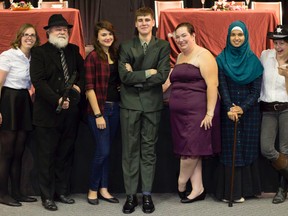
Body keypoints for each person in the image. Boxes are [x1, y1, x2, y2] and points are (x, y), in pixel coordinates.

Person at [118, 7, 170, 214]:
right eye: (140, 20)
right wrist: (148, 73)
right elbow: (124, 77)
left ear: (153, 23)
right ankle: (131, 196)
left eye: (147, 20)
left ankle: (147, 194)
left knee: (148, 151)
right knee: (130, 151)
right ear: (135, 24)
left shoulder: (163, 46)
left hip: (152, 105)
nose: (143, 23)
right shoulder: (126, 46)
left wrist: (136, 77)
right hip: (129, 105)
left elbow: (163, 76)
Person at [30, 14, 85, 211]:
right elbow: (38, 81)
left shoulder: (73, 50)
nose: (62, 31)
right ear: (48, 32)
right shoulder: (39, 53)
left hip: (70, 115)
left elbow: (82, 73)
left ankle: (61, 191)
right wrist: (58, 99)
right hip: (47, 113)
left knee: (65, 154)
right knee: (47, 157)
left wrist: (77, 88)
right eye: (57, 29)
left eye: (64, 29)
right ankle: (47, 196)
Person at [169, 22, 220, 203]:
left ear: (193, 35)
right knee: (191, 150)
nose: (181, 39)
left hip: (197, 112)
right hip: (179, 114)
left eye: (184, 35)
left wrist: (209, 113)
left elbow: (212, 85)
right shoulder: (180, 56)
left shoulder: (204, 55)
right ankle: (198, 188)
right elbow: (169, 82)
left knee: (190, 150)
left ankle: (181, 183)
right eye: (177, 37)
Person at [215, 20, 263, 203]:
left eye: (240, 35)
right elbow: (222, 87)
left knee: (247, 148)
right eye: (233, 35)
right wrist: (230, 107)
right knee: (230, 150)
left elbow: (256, 91)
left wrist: (242, 107)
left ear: (246, 37)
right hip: (229, 112)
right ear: (228, 37)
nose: (236, 38)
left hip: (249, 112)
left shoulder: (254, 61)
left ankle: (247, 190)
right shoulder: (221, 59)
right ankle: (231, 193)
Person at [0, 23, 39, 207]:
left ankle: (17, 192)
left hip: (24, 100)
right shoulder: (8, 55)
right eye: (25, 34)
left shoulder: (34, 57)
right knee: (6, 152)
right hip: (9, 100)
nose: (29, 38)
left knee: (19, 151)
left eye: (32, 35)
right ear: (19, 36)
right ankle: (3, 193)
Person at [84, 20, 120, 205]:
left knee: (107, 151)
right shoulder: (93, 57)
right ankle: (92, 189)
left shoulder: (115, 54)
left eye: (110, 34)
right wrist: (98, 115)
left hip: (117, 108)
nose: (107, 37)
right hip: (100, 110)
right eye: (103, 34)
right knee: (102, 151)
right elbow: (89, 88)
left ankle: (104, 189)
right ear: (97, 38)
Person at [260, 25, 288, 204]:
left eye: (282, 43)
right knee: (266, 148)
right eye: (276, 42)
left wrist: (287, 76)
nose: (278, 46)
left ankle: (282, 189)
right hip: (268, 109)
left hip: (286, 108)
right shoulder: (265, 55)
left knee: (285, 150)